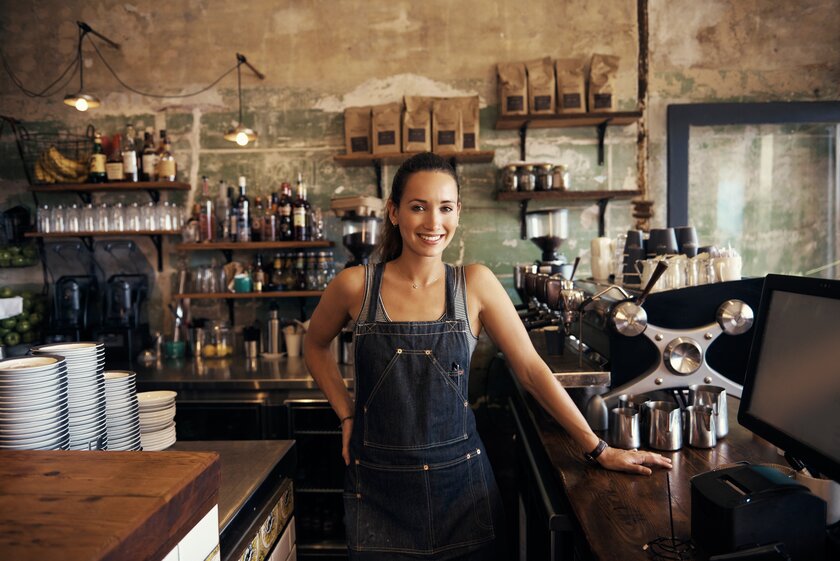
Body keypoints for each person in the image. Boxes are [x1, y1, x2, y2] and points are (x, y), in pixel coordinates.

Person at [304, 152, 672, 560]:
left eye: (445, 208)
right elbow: (314, 345)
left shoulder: (475, 284)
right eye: (417, 207)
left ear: (458, 213)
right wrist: (347, 414)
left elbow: (532, 370)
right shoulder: (355, 285)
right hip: (377, 488)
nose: (432, 223)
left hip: (461, 492)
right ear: (394, 212)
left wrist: (598, 448)